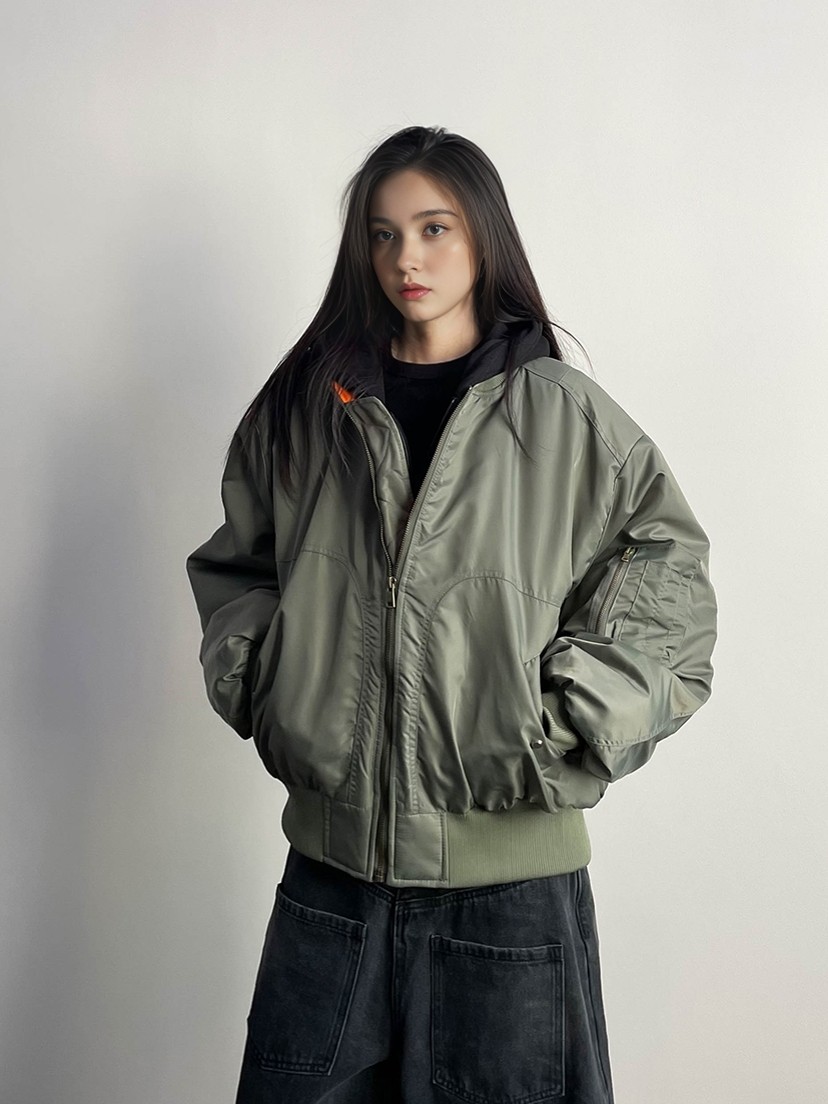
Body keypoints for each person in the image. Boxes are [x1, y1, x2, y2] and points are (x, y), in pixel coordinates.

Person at [186, 125, 718, 1104]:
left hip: (509, 903)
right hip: (331, 884)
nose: (408, 257)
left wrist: (558, 726)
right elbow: (239, 569)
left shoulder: (565, 417)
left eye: (434, 228)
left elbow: (667, 590)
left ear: (484, 237)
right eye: (383, 233)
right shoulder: (307, 409)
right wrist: (267, 685)